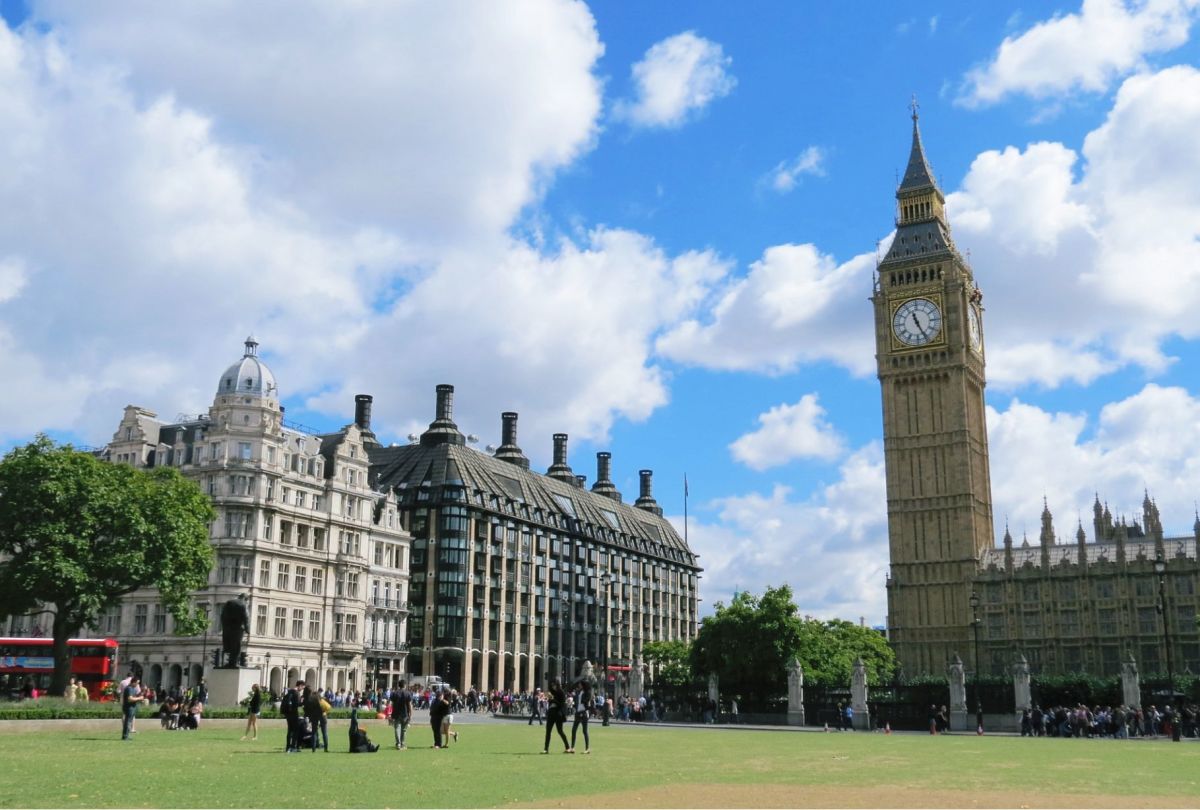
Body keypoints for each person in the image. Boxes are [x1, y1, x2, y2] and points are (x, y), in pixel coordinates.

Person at [219, 595, 250, 668]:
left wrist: (224, 626)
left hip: (227, 628)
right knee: (236, 646)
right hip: (237, 628)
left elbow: (222, 615)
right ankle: (234, 663)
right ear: (246, 599)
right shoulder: (243, 604)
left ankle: (230, 663)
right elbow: (246, 617)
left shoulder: (229, 602)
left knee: (230, 646)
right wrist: (247, 629)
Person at [541, 679, 571, 754]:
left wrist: (553, 700)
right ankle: (546, 749)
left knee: (560, 731)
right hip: (551, 713)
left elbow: (562, 704)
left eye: (554, 685)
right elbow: (550, 692)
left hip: (558, 714)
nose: (553, 686)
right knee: (548, 731)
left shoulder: (561, 692)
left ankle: (567, 747)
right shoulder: (553, 692)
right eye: (552, 685)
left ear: (557, 685)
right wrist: (550, 699)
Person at [120, 676, 147, 741]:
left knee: (129, 722)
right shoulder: (129, 688)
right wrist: (139, 698)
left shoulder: (132, 688)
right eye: (137, 683)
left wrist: (142, 693)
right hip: (129, 707)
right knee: (128, 722)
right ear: (133, 682)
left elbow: (135, 697)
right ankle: (125, 736)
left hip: (132, 707)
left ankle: (126, 735)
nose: (138, 684)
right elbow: (130, 699)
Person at [303, 686, 330, 752]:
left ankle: (313, 748)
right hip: (322, 714)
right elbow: (323, 703)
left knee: (314, 732)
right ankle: (326, 748)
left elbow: (306, 710)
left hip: (313, 716)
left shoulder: (306, 699)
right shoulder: (316, 696)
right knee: (324, 732)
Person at [570, 679, 592, 754]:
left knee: (584, 731)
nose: (579, 685)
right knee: (574, 730)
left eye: (580, 684)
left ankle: (587, 748)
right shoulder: (580, 692)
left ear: (583, 685)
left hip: (584, 712)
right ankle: (572, 748)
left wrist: (583, 702)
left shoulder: (587, 692)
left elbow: (587, 701)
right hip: (578, 712)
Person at [280, 680, 303, 753]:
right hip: (294, 713)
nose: (302, 689)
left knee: (290, 730)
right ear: (300, 685)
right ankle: (293, 747)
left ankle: (288, 747)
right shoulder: (296, 693)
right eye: (302, 687)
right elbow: (297, 704)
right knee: (295, 730)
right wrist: (302, 701)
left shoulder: (289, 692)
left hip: (288, 714)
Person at [391, 680, 413, 749]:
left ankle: (398, 743)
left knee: (397, 728)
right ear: (405, 685)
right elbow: (409, 705)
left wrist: (391, 713)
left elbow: (392, 704)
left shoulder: (394, 693)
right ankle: (402, 743)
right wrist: (410, 714)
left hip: (396, 713)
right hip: (405, 713)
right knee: (404, 729)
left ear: (399, 685)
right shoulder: (407, 693)